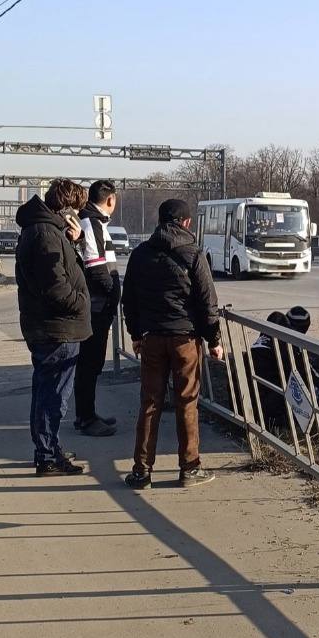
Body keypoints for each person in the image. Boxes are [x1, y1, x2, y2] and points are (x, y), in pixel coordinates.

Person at [121, 198, 223, 490]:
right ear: (186, 222)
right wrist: (214, 340)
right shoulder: (193, 254)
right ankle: (190, 468)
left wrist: (136, 335)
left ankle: (141, 472)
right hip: (185, 340)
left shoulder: (140, 254)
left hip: (152, 339)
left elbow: (129, 300)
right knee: (187, 402)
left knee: (150, 403)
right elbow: (207, 302)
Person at [15, 179, 92, 477]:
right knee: (54, 396)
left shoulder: (43, 229)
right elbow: (55, 286)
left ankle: (47, 447)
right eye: (76, 210)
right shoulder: (46, 234)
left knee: (46, 391)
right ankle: (47, 456)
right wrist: (81, 303)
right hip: (57, 328)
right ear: (67, 208)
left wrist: (72, 241)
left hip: (48, 325)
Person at [73, 179, 121, 436]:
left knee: (92, 363)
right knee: (90, 363)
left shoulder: (95, 222)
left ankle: (88, 413)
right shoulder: (91, 224)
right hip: (96, 305)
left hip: (99, 304)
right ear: (110, 199)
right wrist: (113, 295)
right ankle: (86, 418)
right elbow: (96, 267)